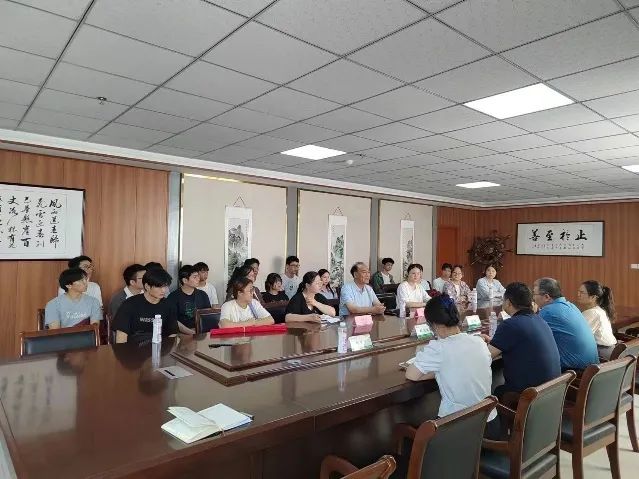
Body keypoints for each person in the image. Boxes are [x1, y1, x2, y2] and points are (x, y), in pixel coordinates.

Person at [405, 294, 495, 423]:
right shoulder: (479, 342)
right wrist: (445, 369)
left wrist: (440, 371)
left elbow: (411, 375)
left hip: (458, 425)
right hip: (489, 421)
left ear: (434, 325)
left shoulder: (438, 348)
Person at [481, 282, 561, 401]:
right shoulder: (539, 320)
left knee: (494, 391)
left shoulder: (510, 324)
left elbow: (485, 356)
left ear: (508, 303)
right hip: (552, 392)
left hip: (528, 397)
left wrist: (476, 343)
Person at [533, 277, 598, 370]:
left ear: (547, 297)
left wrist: (531, 313)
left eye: (534, 294)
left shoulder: (548, 311)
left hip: (574, 372)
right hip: (592, 368)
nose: (533, 298)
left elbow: (531, 337)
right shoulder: (572, 306)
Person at [113, 268, 179, 344]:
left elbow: (172, 333)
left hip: (160, 347)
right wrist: (123, 350)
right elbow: (121, 335)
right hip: (133, 348)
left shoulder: (169, 305)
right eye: (159, 287)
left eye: (165, 286)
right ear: (147, 286)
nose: (163, 290)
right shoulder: (130, 304)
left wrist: (167, 348)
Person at [166, 265, 211, 334]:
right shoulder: (173, 297)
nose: (198, 279)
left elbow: (207, 315)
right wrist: (191, 332)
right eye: (195, 277)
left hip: (201, 333)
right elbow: (173, 320)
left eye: (198, 276)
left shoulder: (203, 295)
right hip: (181, 334)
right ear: (185, 280)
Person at [576, 280, 617, 357]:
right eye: (578, 292)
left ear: (593, 297)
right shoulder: (599, 310)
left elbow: (579, 336)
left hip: (602, 352)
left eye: (582, 292)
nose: (578, 295)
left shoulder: (593, 313)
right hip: (608, 350)